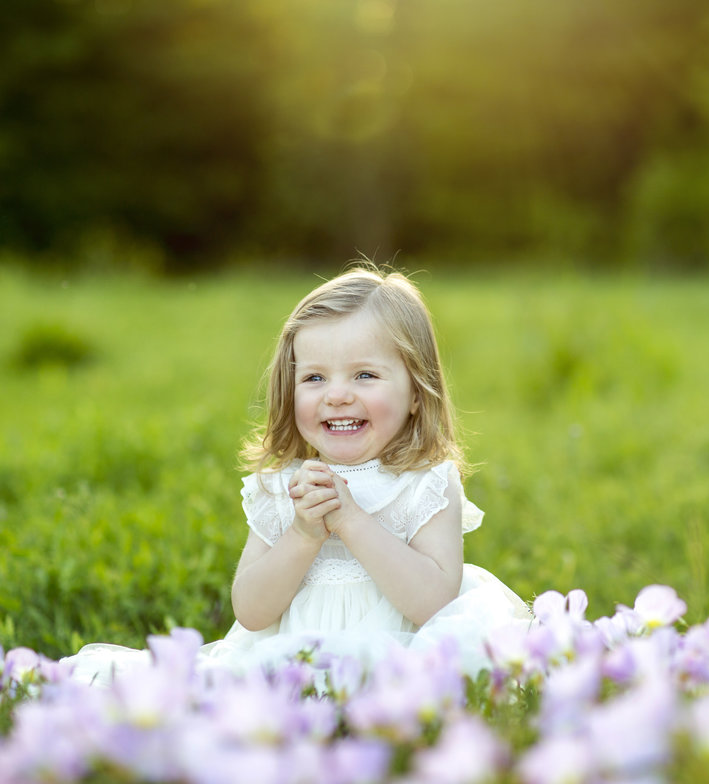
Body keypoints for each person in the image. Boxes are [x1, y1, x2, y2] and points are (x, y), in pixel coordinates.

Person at [64, 266, 529, 685]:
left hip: (398, 667)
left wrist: (351, 521)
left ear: (415, 394)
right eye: (314, 378)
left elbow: (434, 603)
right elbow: (251, 609)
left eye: (365, 375)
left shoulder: (424, 482)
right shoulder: (284, 485)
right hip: (290, 668)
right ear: (289, 391)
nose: (337, 395)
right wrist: (303, 535)